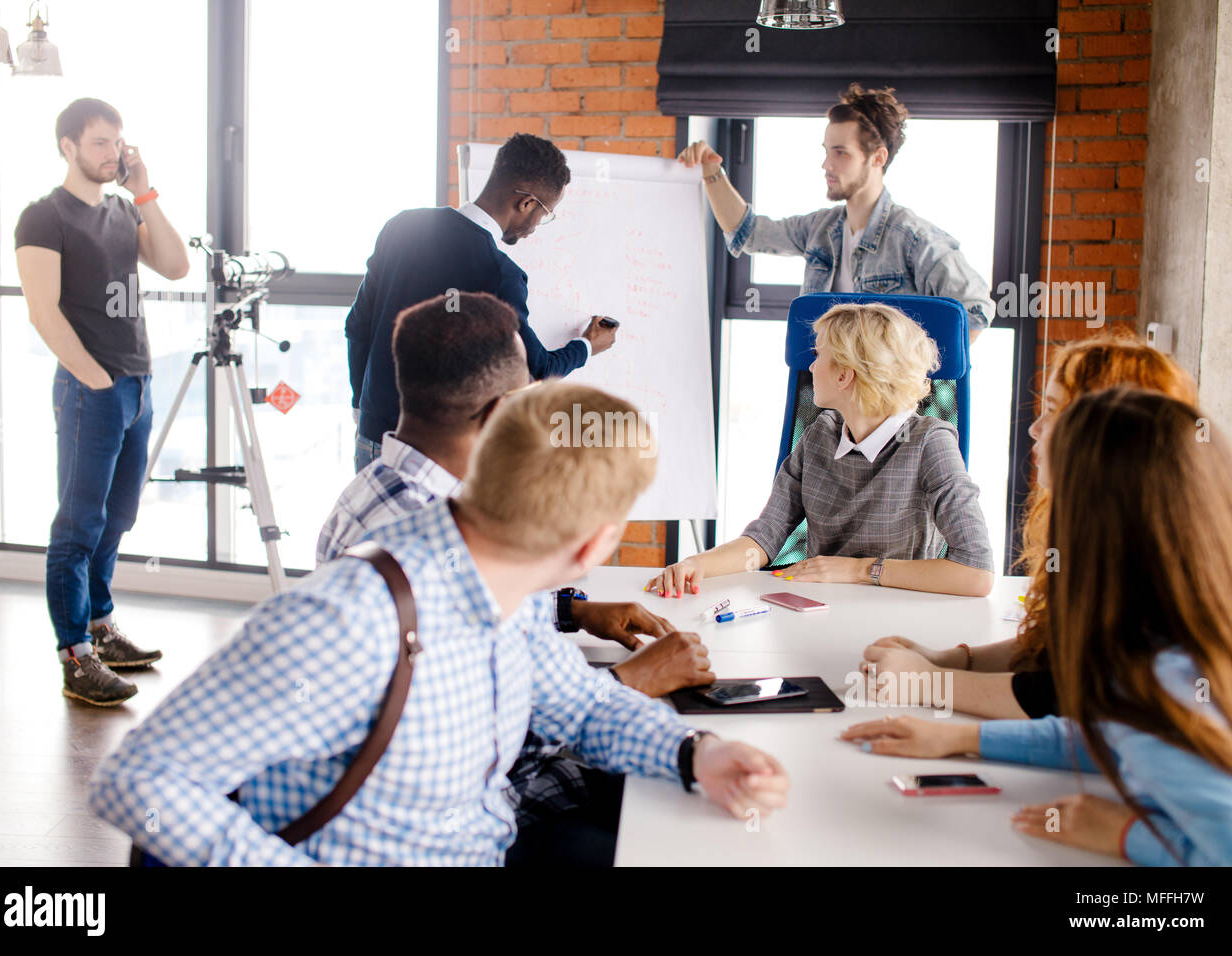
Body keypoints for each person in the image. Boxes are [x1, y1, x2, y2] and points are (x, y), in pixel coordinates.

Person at [90, 381, 789, 866]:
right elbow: (140, 780)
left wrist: (695, 753)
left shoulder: (505, 595)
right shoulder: (351, 620)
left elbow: (583, 707)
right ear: (591, 548)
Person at [320, 290, 715, 863]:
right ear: (504, 411)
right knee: (669, 839)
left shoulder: (391, 490)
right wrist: (633, 680)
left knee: (676, 794)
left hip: (501, 779)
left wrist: (573, 611)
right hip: (473, 813)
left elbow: (480, 624)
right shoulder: (418, 534)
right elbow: (469, 736)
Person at [842, 388, 1232, 866]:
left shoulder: (1163, 682)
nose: (1035, 434)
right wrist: (959, 739)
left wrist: (1125, 834)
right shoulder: (1185, 637)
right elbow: (1108, 735)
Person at [860, 336, 1198, 718]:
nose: (1035, 429)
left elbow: (1070, 696)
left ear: (1108, 428)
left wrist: (929, 682)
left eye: (1053, 411)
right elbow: (1054, 647)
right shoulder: (1103, 517)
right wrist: (948, 660)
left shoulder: (1151, 549)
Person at [15, 98, 190, 707]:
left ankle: (100, 625)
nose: (112, 153)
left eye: (116, 142)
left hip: (137, 383)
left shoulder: (121, 210)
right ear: (67, 146)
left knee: (117, 518)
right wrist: (92, 379)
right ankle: (75, 656)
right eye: (98, 143)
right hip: (92, 389)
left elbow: (174, 264)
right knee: (78, 524)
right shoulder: (44, 217)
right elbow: (43, 311)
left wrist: (145, 192)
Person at [647, 303, 992, 598]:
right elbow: (764, 538)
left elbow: (976, 572)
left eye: (819, 355)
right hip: (818, 614)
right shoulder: (819, 435)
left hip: (898, 627)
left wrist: (859, 571)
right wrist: (696, 564)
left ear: (845, 374)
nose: (811, 367)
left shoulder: (930, 442)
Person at [347, 132, 618, 473]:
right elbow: (535, 369)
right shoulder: (499, 274)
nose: (537, 226)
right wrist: (587, 346)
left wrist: (361, 408)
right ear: (526, 203)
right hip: (433, 458)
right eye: (545, 213)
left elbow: (357, 326)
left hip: (372, 438)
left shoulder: (402, 227)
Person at [678, 84, 994, 342]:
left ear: (878, 157)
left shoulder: (912, 237)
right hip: (826, 405)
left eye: (840, 153)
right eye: (826, 151)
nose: (826, 165)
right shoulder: (821, 229)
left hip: (888, 413)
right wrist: (711, 171)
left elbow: (974, 311)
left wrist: (917, 380)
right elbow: (748, 233)